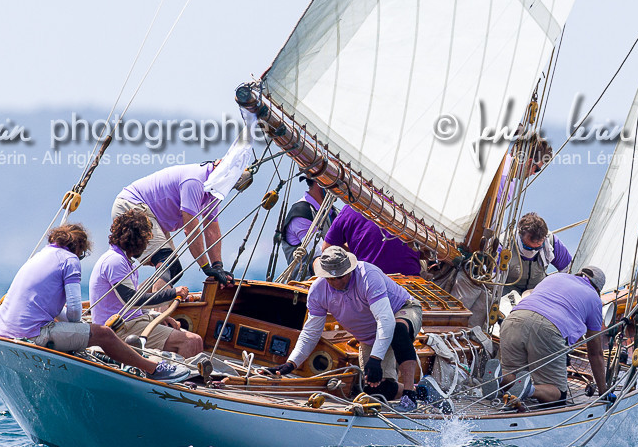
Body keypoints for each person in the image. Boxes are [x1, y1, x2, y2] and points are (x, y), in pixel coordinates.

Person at [0, 224, 185, 380]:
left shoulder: (40, 255)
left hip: (3, 329)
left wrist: (79, 330)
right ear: (79, 248)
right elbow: (74, 311)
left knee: (90, 332)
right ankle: (154, 369)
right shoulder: (69, 260)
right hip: (32, 334)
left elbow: (55, 310)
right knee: (104, 334)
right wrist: (87, 332)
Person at [270, 246, 426, 409]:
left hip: (402, 310)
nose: (336, 282)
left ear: (349, 269)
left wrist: (375, 359)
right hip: (370, 337)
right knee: (378, 389)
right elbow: (311, 333)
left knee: (398, 331)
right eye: (330, 278)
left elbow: (386, 321)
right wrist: (291, 363)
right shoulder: (317, 292)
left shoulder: (368, 276)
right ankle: (423, 392)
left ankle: (409, 396)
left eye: (340, 277)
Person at [89, 210, 202, 357]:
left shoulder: (124, 261)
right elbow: (131, 301)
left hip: (132, 321)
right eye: (146, 240)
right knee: (192, 341)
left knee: (191, 338)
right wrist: (174, 293)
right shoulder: (115, 261)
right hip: (119, 328)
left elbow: (129, 305)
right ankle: (183, 379)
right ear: (137, 240)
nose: (147, 246)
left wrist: (157, 316)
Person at [498, 265, 610, 407]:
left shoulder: (555, 277)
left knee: (514, 374)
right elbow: (595, 353)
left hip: (513, 319)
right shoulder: (594, 298)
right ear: (598, 289)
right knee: (557, 394)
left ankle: (499, 377)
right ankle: (529, 389)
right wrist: (603, 391)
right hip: (547, 327)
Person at [112, 161, 234, 286]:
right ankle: (150, 303)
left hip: (151, 215)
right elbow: (191, 231)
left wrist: (217, 266)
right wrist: (206, 267)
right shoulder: (195, 181)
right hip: (132, 206)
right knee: (168, 267)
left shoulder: (214, 191)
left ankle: (134, 301)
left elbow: (211, 230)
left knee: (174, 271)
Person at [323, 205, 422, 276]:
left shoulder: (351, 208)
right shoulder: (415, 212)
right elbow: (432, 253)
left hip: (367, 284)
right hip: (409, 283)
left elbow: (327, 249)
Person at [505, 211, 572, 293]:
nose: (533, 251)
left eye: (538, 248)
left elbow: (567, 270)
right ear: (520, 236)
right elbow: (494, 281)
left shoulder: (551, 242)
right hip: (508, 290)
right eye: (528, 248)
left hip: (538, 289)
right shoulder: (504, 245)